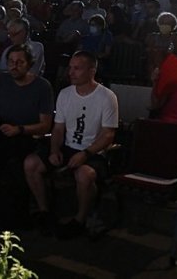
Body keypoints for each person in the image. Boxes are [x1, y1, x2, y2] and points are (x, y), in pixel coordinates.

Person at [24, 51, 118, 238]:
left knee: (85, 174)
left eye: (77, 68)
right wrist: (54, 150)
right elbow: (58, 128)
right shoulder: (65, 94)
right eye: (70, 68)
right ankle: (44, 211)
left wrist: (86, 153)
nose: (71, 72)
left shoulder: (107, 97)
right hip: (68, 146)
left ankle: (79, 219)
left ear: (91, 71)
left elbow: (108, 134)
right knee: (31, 163)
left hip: (94, 151)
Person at [0, 44, 54, 221]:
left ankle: (16, 211)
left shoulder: (42, 86)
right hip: (1, 130)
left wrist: (20, 129)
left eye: (20, 62)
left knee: (10, 158)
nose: (14, 66)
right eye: (11, 62)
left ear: (29, 64)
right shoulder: (3, 80)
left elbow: (45, 125)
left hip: (26, 135)